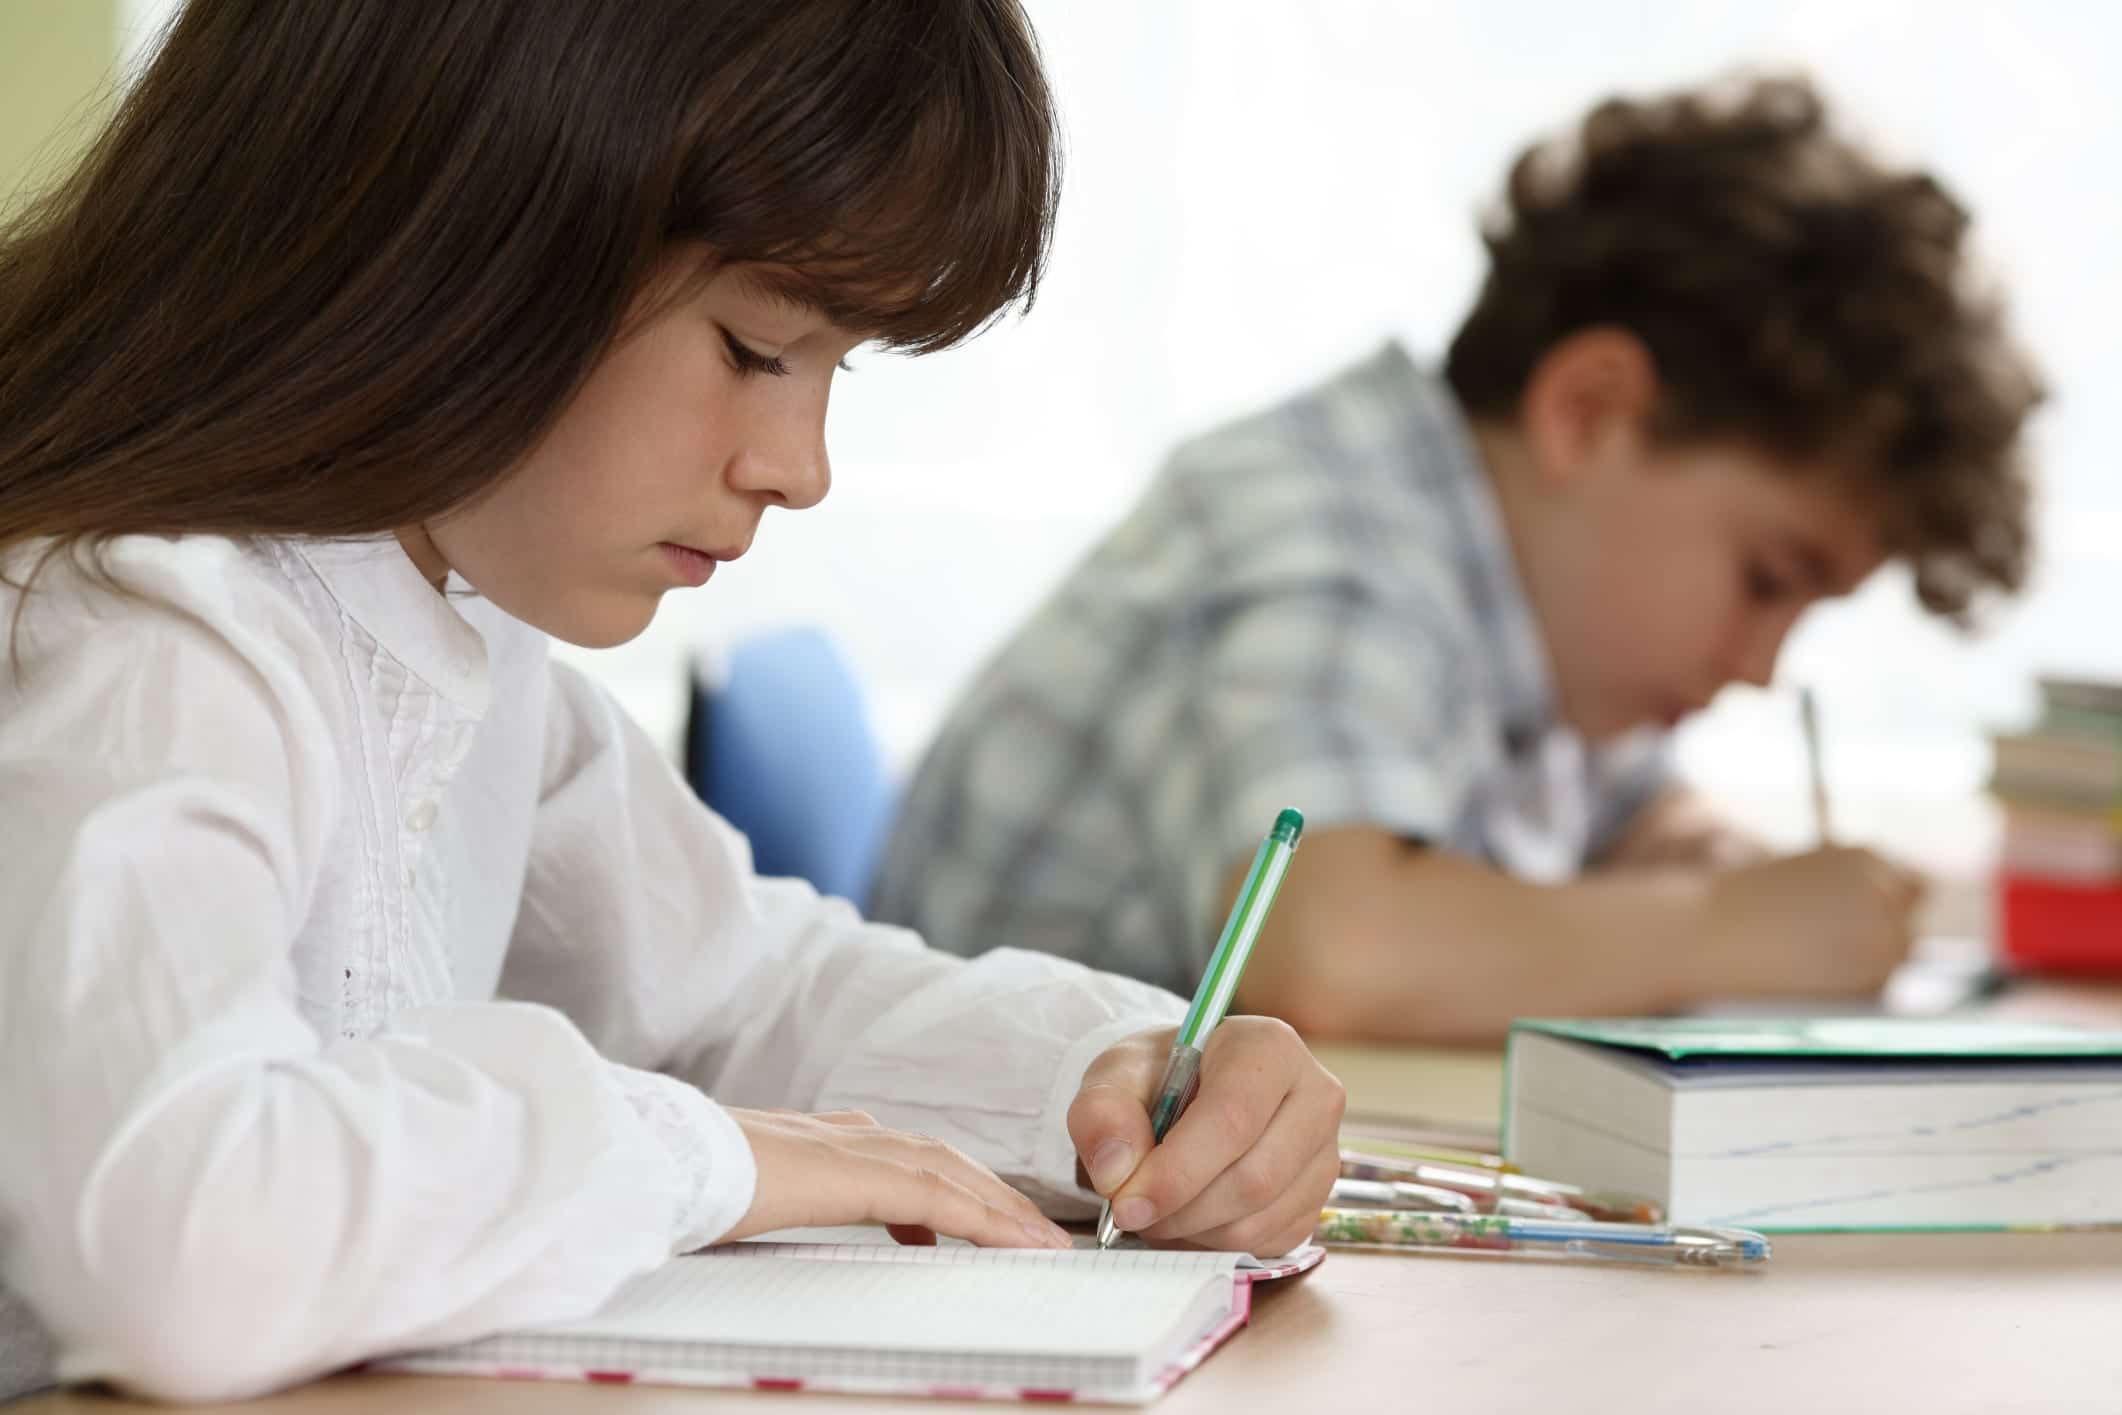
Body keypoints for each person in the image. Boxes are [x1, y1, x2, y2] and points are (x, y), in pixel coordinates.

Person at [0, 2, 1343, 1402]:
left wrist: (1104, 1073)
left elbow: (739, 984)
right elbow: (183, 1248)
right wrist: (708, 1152)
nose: (800, 464)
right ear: (462, 224)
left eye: (839, 367)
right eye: (759, 348)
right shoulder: (134, 634)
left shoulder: (442, 627)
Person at [870, 74, 2044, 1043]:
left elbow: (1636, 819)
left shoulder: (1536, 596)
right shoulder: (1328, 530)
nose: (1756, 665)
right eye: (1767, 579)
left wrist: (1740, 873)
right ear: (1590, 411)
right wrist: (1730, 921)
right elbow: (1332, 949)